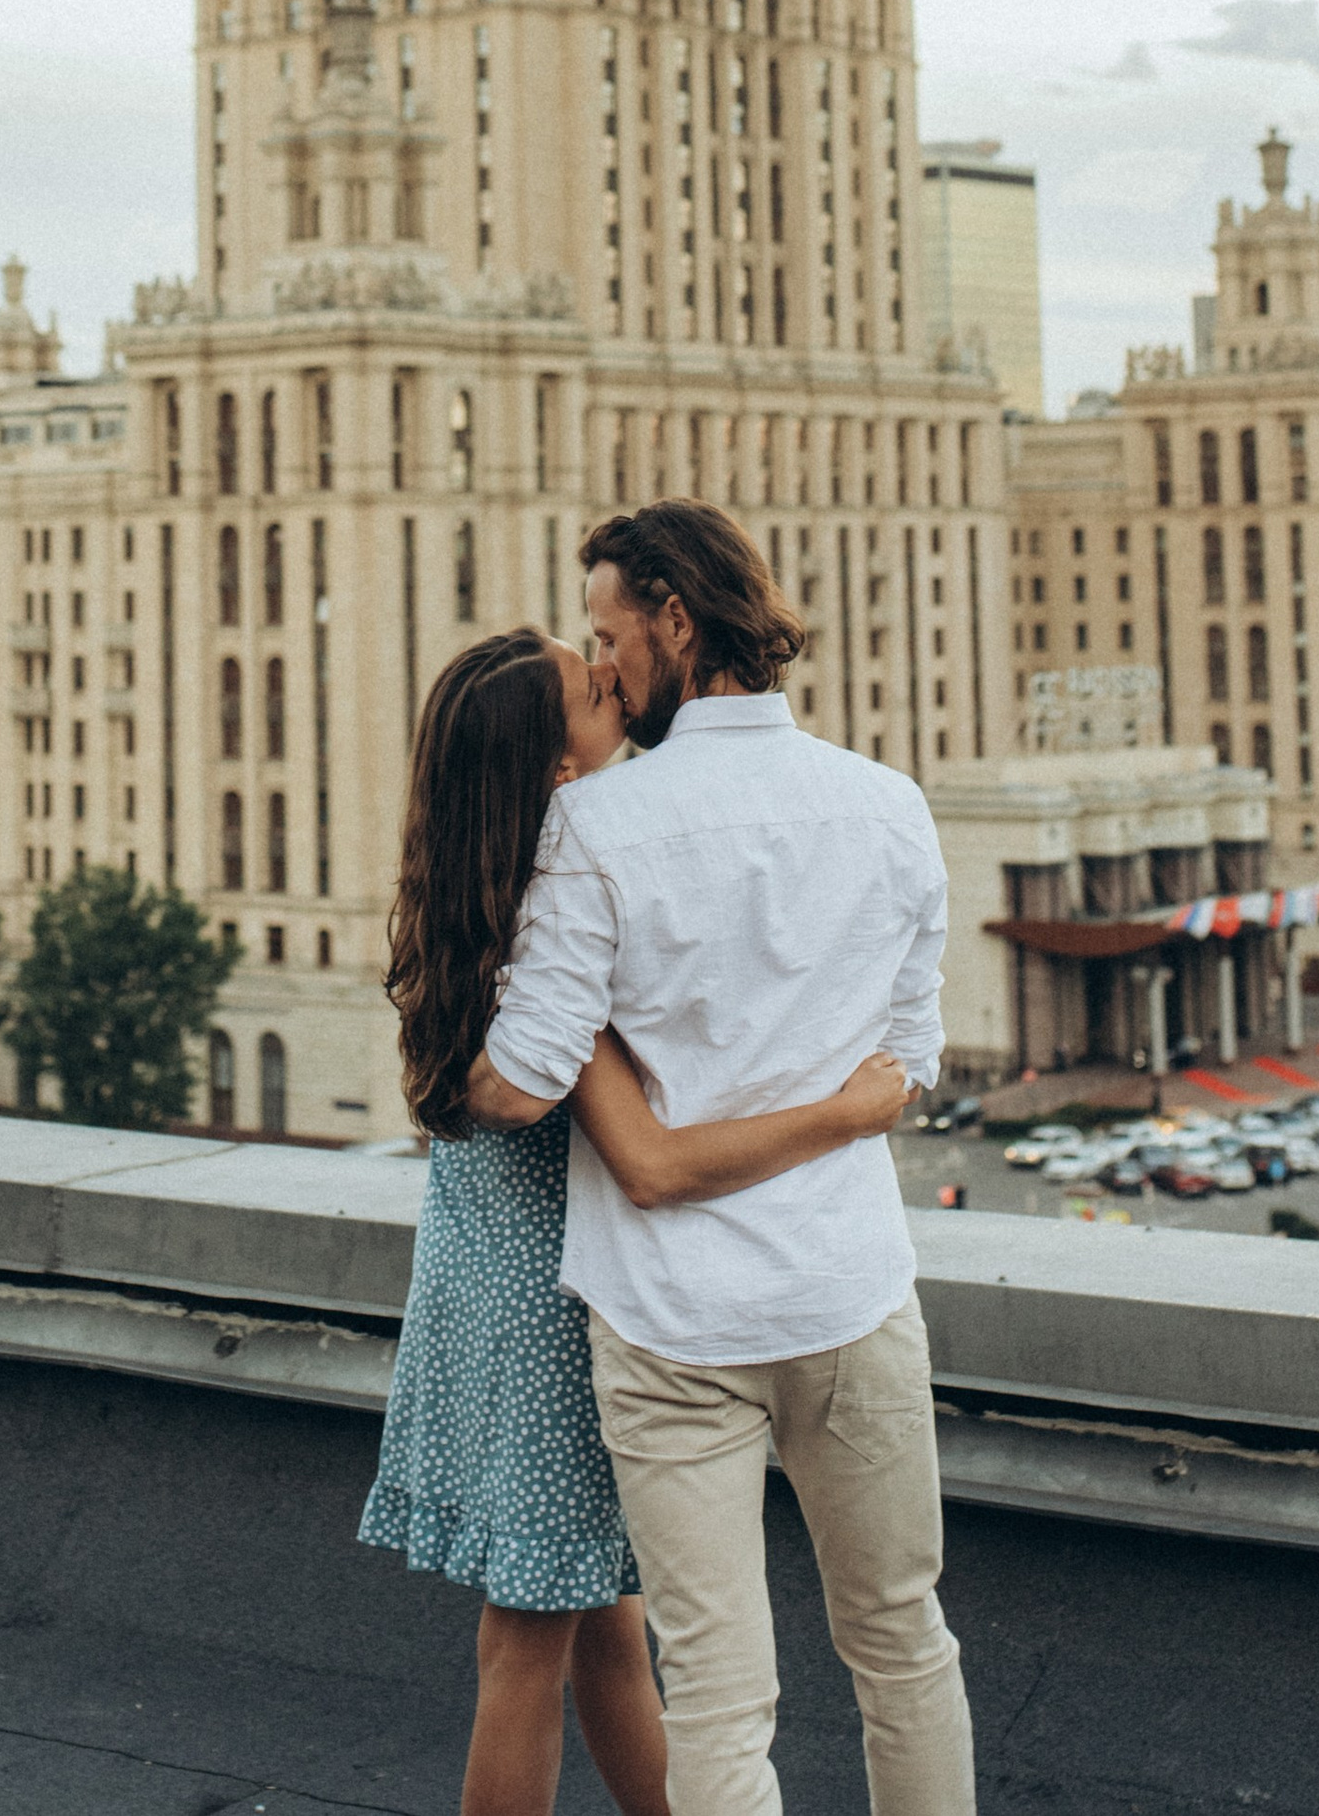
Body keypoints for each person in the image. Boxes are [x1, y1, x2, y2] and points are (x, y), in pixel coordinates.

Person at [470, 503, 976, 1816]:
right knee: (905, 1648)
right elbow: (906, 1057)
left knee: (716, 1696)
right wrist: (829, 1100)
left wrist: (473, 1043)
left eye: (608, 631)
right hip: (850, 1292)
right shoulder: (889, 802)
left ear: (675, 618)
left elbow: (518, 1081)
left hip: (678, 1324)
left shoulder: (598, 826)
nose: (605, 665)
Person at [360, 622, 914, 1816]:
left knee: (606, 1621)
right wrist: (849, 1108)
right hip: (558, 1304)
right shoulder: (552, 950)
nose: (617, 681)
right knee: (528, 1641)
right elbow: (650, 1160)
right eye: (593, 688)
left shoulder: (489, 901)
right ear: (558, 770)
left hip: (494, 1276)